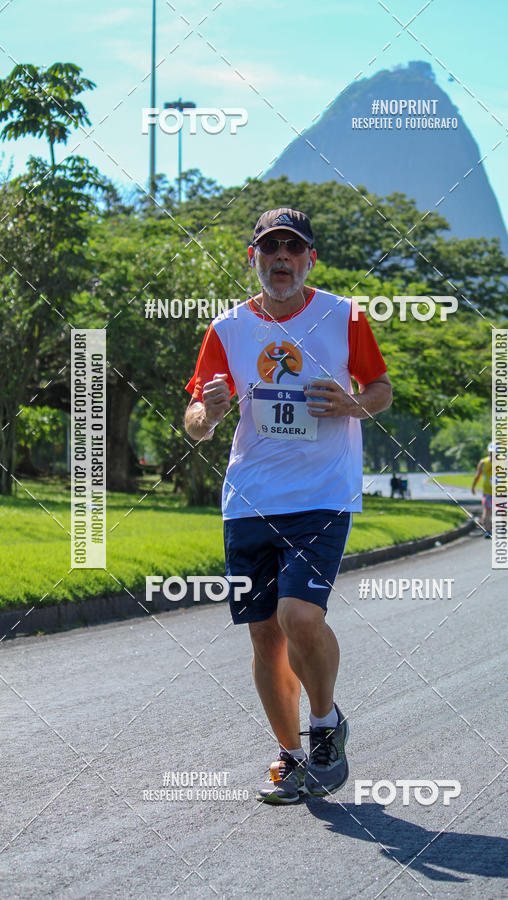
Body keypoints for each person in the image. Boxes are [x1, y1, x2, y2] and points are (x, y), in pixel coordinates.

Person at [184, 208, 392, 804]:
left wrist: (353, 404)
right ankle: (290, 757)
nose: (281, 257)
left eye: (293, 248)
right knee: (265, 637)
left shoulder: (344, 316)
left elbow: (381, 389)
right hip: (249, 501)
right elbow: (195, 420)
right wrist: (209, 411)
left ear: (310, 260)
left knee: (298, 617)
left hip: (322, 495)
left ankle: (325, 726)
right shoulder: (227, 329)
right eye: (270, 247)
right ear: (253, 257)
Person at [472, 443, 496, 538]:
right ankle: (488, 531)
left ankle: (490, 531)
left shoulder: (502, 461)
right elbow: (478, 475)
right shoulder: (484, 462)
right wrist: (473, 486)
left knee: (489, 511)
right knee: (487, 511)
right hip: (489, 491)